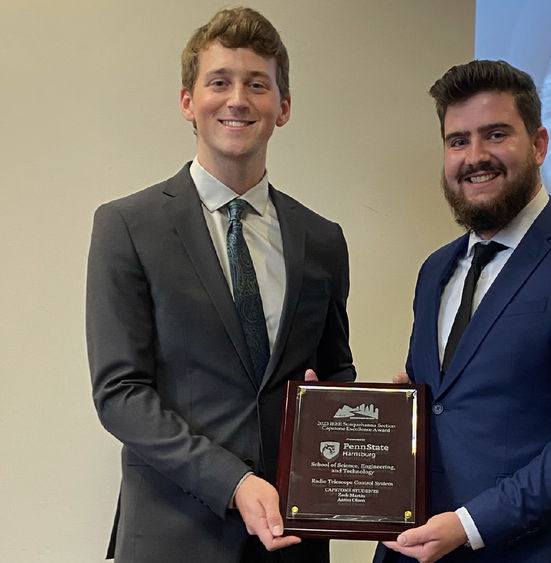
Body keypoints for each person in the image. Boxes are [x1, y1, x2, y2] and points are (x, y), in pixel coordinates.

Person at [86, 7, 355, 563]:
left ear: (282, 108)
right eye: (219, 82)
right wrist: (233, 482)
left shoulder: (323, 239)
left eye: (258, 84)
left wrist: (368, 411)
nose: (238, 99)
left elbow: (333, 370)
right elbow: (120, 394)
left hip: (291, 539)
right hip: (172, 534)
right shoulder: (127, 226)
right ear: (189, 101)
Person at [374, 60, 551, 563]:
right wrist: (393, 414)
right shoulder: (436, 269)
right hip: (413, 551)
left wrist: (469, 525)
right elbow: (445, 405)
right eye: (457, 141)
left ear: (539, 144)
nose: (474, 156)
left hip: (525, 550)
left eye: (495, 134)